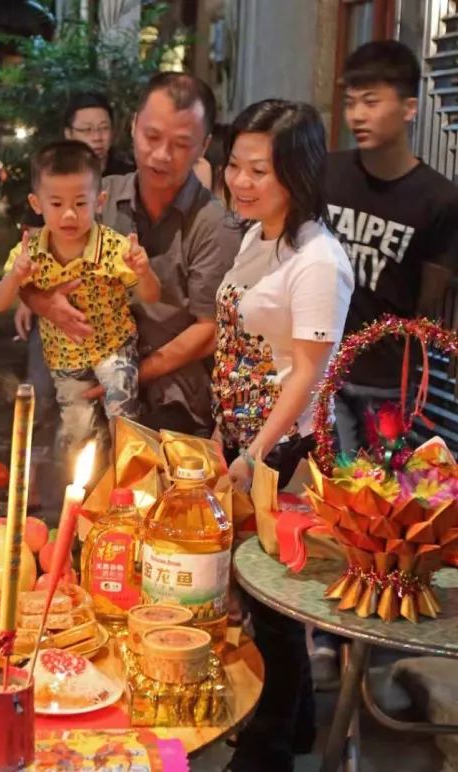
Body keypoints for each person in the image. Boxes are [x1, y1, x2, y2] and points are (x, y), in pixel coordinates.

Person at [215, 99, 354, 772]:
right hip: (247, 433)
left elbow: (308, 374)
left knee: (274, 601)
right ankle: (293, 727)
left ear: (297, 173)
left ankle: (269, 750)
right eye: (235, 165)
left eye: (258, 170)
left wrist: (254, 453)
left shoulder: (319, 262)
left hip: (285, 447)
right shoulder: (263, 233)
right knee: (262, 596)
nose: (240, 181)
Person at [23, 73, 242, 437]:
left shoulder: (214, 225)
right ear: (134, 126)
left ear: (203, 147)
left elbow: (209, 330)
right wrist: (43, 301)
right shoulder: (98, 198)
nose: (161, 155)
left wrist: (130, 373)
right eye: (152, 137)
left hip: (172, 394)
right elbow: (28, 275)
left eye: (181, 144)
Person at [0, 140, 159, 475]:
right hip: (66, 356)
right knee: (78, 430)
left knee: (123, 412)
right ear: (37, 204)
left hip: (113, 346)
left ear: (99, 202)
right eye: (57, 203)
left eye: (80, 203)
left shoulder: (113, 247)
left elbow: (151, 296)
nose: (69, 214)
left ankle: (128, 484)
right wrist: (16, 276)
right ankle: (85, 496)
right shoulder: (31, 252)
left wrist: (144, 270)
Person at [326, 40, 458, 453]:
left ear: (410, 108)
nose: (357, 115)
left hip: (386, 382)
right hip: (318, 366)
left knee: (372, 502)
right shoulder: (327, 173)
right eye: (350, 102)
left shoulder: (438, 199)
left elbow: (429, 307)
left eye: (371, 101)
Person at [62, 91, 135, 176]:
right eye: (87, 129)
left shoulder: (130, 176)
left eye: (104, 128)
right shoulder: (54, 175)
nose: (97, 137)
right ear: (69, 134)